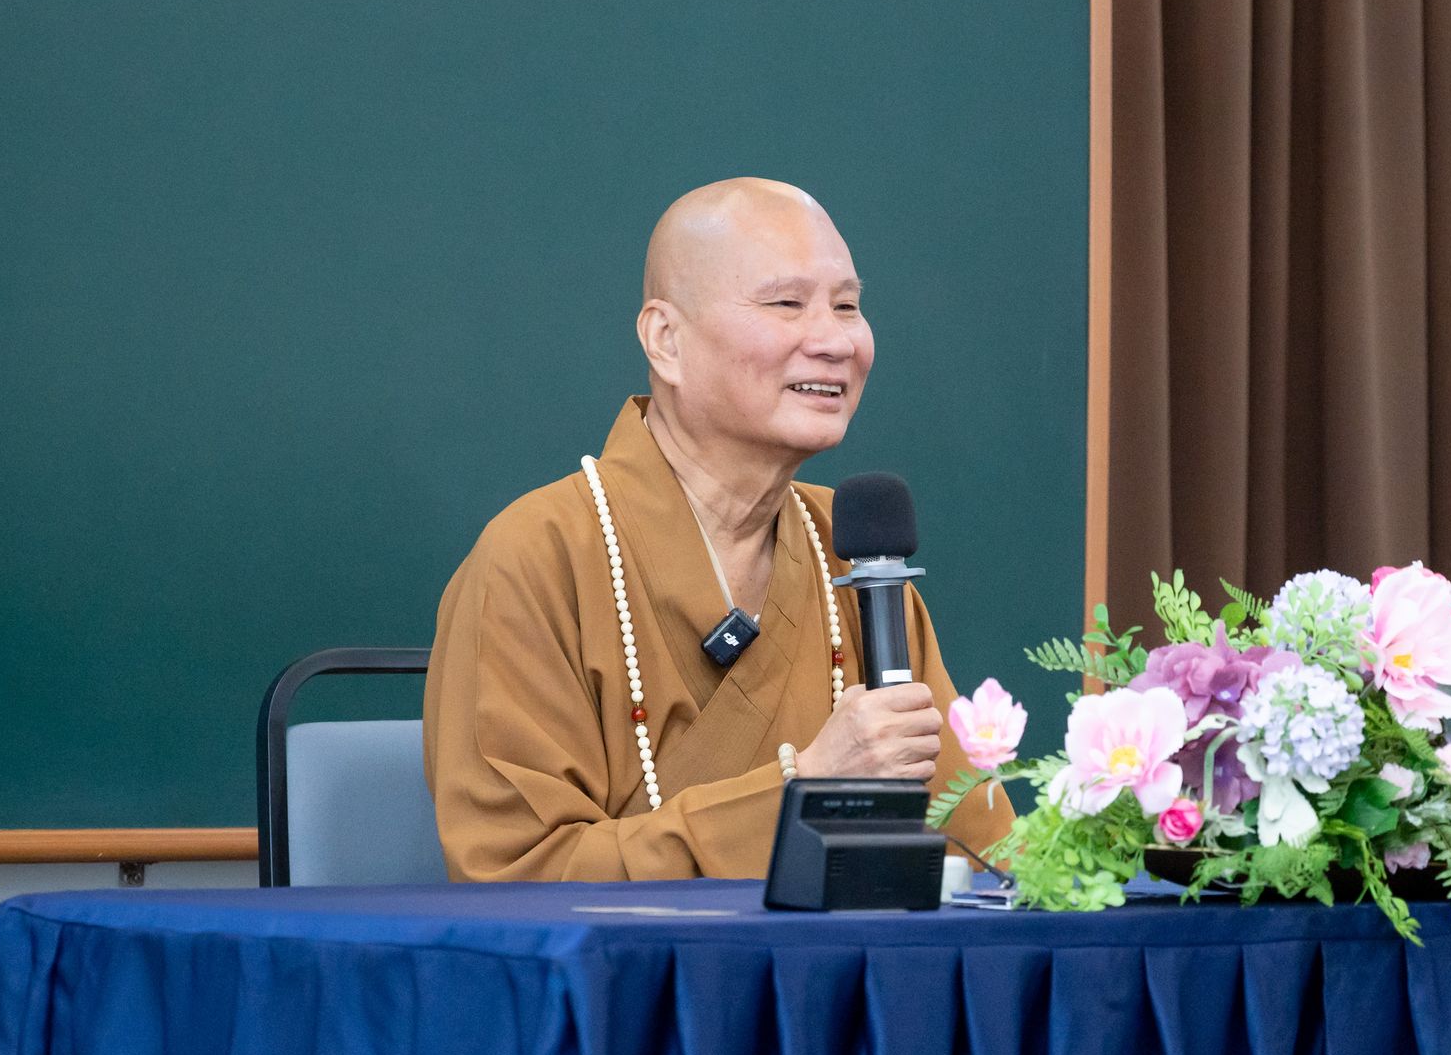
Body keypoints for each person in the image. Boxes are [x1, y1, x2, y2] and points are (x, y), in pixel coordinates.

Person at [423, 177, 1015, 881]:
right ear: (666, 340)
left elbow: (984, 852)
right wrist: (803, 790)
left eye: (847, 306)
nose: (835, 341)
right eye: (786, 303)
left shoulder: (854, 557)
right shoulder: (538, 558)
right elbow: (517, 875)